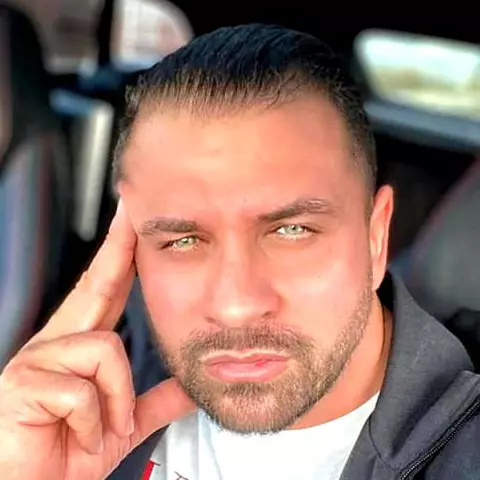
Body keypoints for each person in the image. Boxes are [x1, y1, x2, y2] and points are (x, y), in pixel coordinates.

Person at [0, 23, 479, 480]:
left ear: (375, 239)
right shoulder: (88, 391)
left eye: (292, 230)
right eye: (183, 240)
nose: (235, 307)